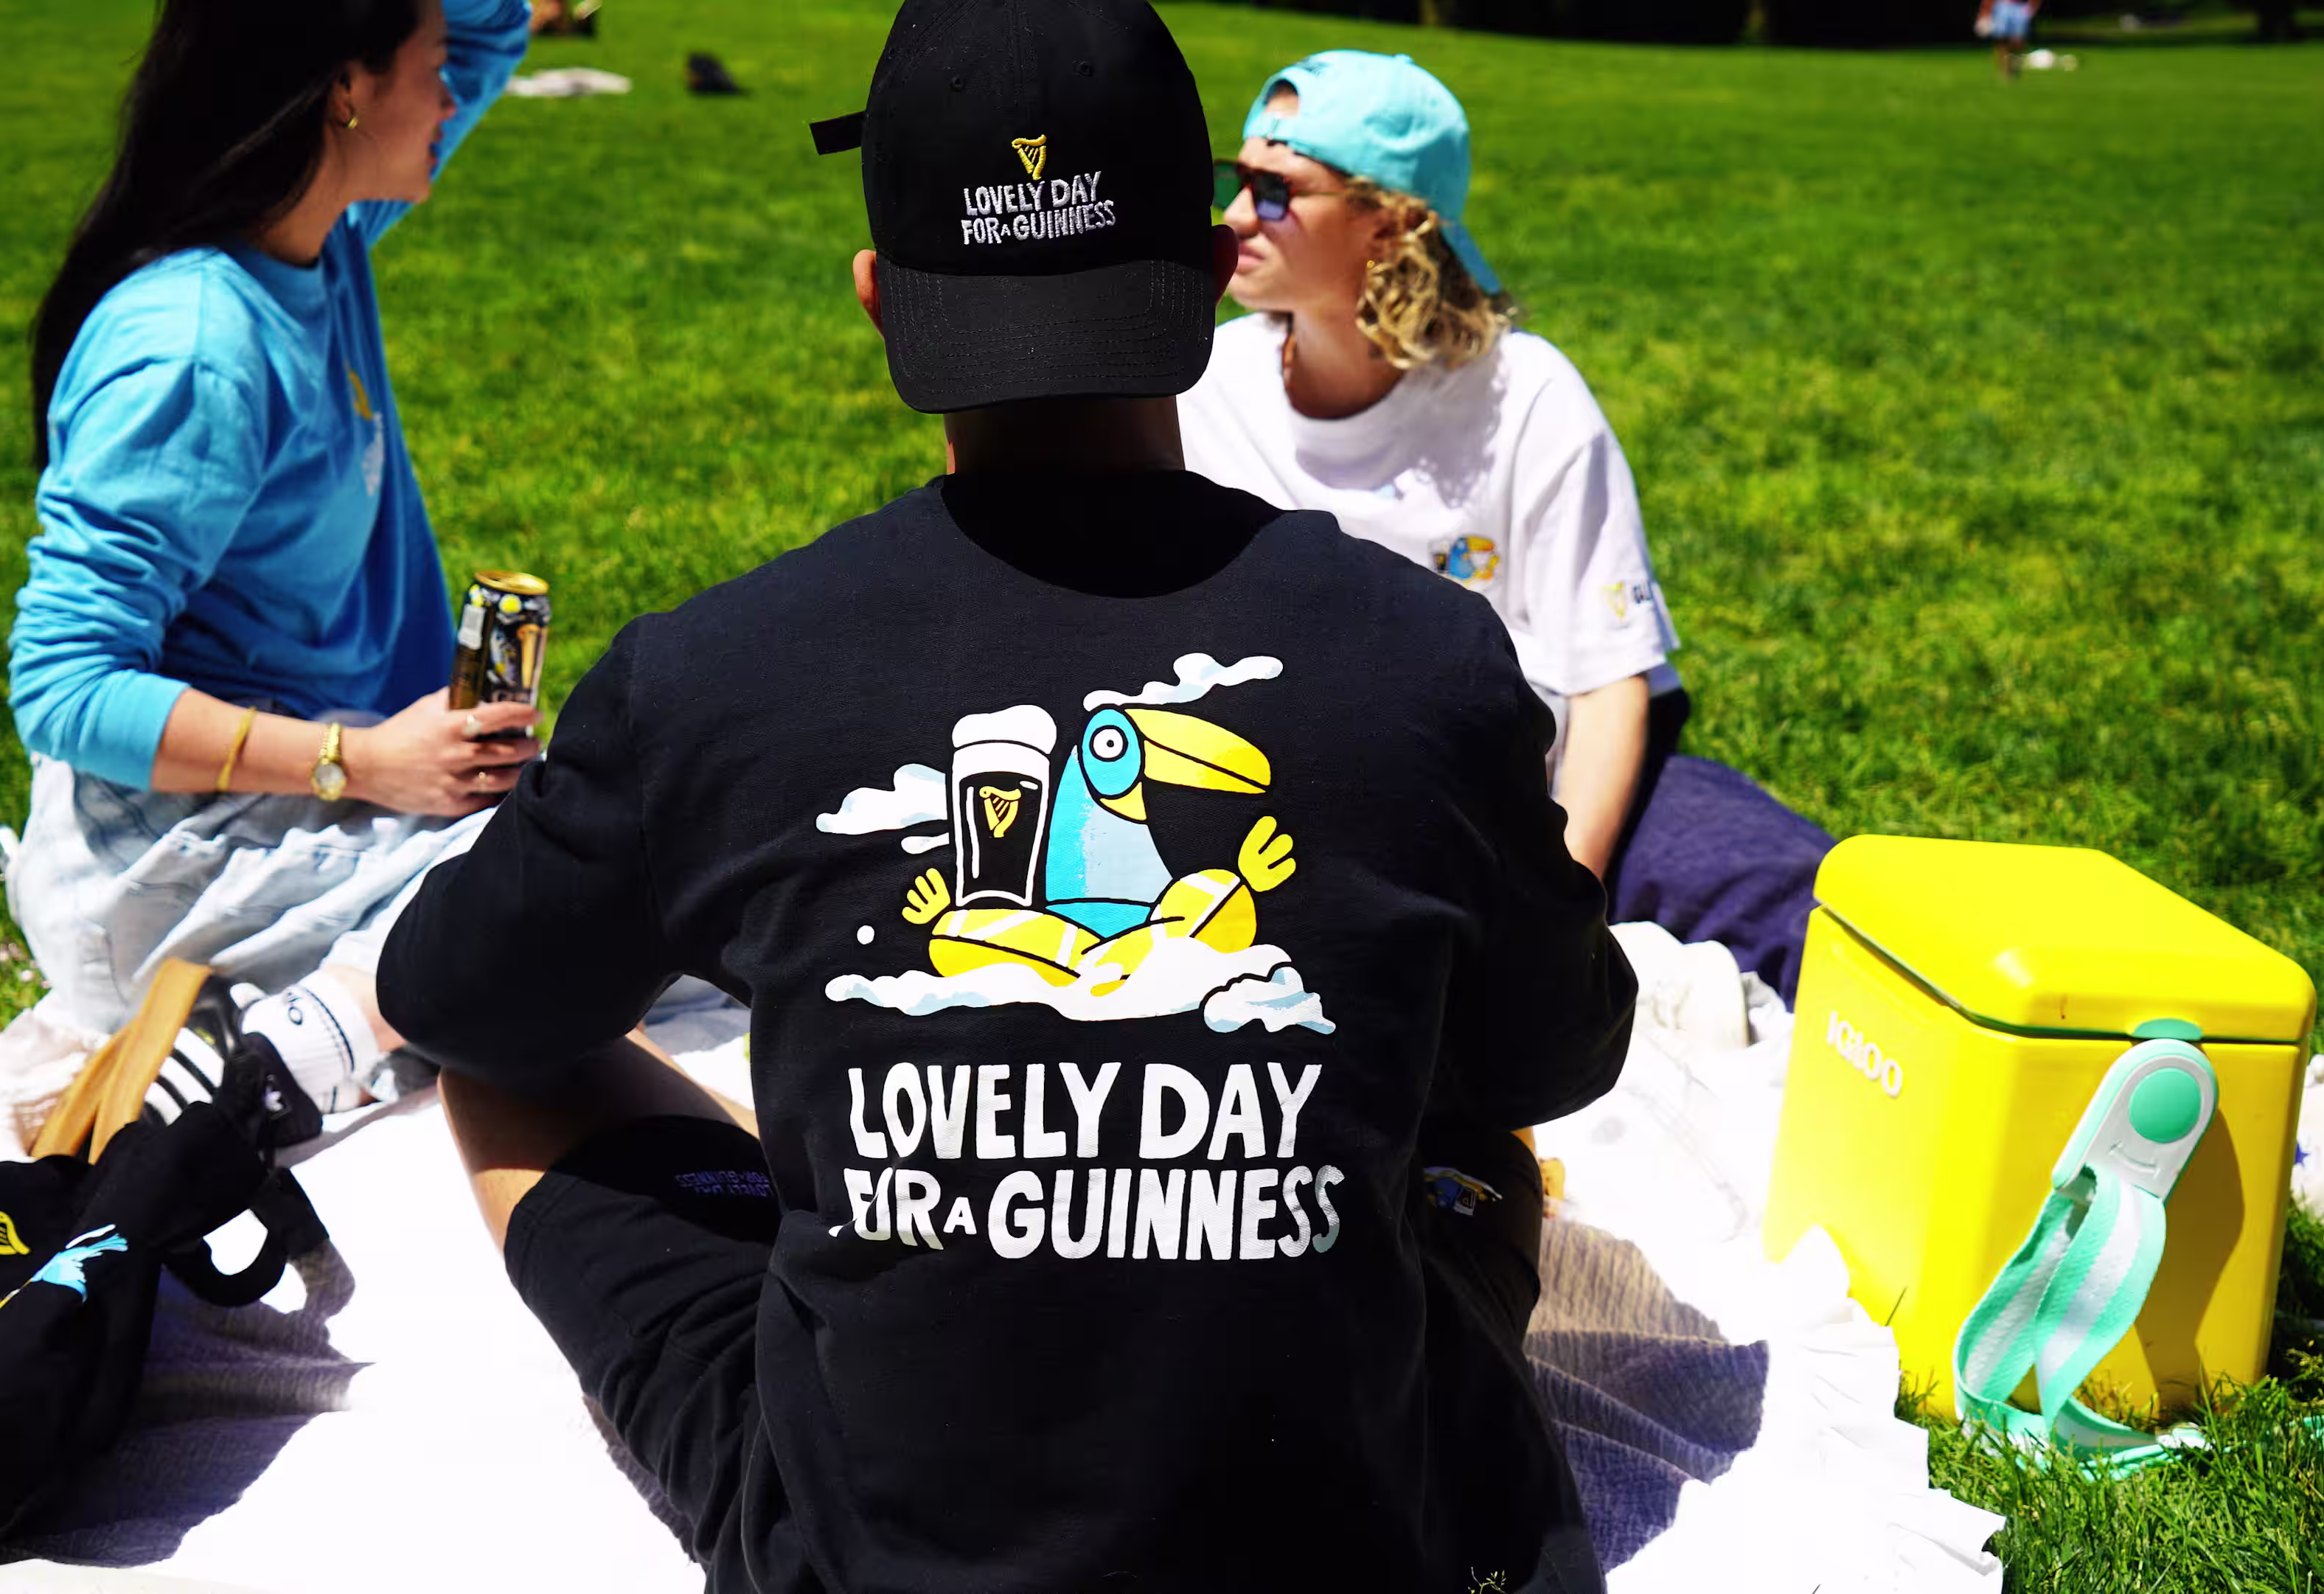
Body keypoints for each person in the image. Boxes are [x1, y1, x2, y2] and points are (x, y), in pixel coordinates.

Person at [378, 2, 1627, 1589]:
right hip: (1359, 1534)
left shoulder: (717, 678)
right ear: (1197, 277)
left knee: (512, 1072)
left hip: (867, 1548)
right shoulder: (1424, 664)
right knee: (1473, 1140)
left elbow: (451, 995)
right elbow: (1558, 1047)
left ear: (881, 300)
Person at [1, 0, 566, 1126]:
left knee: (624, 836)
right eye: (435, 70)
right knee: (585, 887)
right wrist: (358, 762)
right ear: (346, 87)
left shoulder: (319, 239)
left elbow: (498, 29)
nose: (456, 100)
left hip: (300, 807)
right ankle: (299, 1050)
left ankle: (379, 988)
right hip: (170, 872)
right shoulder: (197, 345)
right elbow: (61, 688)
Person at [1177, 51, 1832, 998]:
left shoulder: (1525, 396)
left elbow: (1612, 685)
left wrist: (1555, 912)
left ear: (1392, 220)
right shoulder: (1202, 386)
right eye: (1237, 184)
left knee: (1796, 899)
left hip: (1544, 800)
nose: (1237, 218)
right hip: (1292, 811)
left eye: (1277, 192)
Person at [1980, 0, 2041, 78]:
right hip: (2002, 5)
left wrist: (2033, 7)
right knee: (2002, 40)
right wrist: (1985, 11)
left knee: (2018, 40)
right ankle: (2004, 71)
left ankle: (2015, 68)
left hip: (2020, 7)